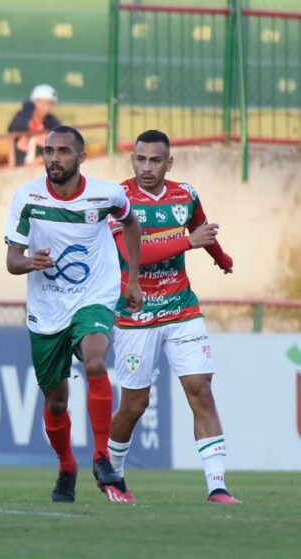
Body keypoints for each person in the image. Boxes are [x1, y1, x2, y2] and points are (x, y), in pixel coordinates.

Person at [3, 126, 144, 504]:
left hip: (94, 295)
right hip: (47, 307)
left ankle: (102, 456)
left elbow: (131, 222)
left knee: (96, 362)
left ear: (81, 158)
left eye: (63, 151)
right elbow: (11, 261)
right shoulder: (27, 197)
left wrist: (131, 279)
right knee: (56, 402)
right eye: (49, 151)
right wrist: (30, 261)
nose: (54, 158)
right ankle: (67, 465)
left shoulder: (107, 194)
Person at [107, 129, 239, 504]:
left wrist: (222, 259)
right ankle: (112, 472)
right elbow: (132, 254)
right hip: (136, 314)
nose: (146, 167)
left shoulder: (186, 194)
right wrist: (188, 242)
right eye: (139, 159)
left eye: (155, 160)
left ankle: (217, 486)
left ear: (169, 162)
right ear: (132, 159)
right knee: (134, 404)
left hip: (181, 309)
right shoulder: (119, 199)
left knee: (201, 391)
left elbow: (202, 229)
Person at [7, 84, 61, 167]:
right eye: (43, 103)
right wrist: (11, 166)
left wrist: (40, 160)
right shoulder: (21, 120)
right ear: (35, 102)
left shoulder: (52, 122)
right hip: (19, 168)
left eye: (50, 104)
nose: (46, 107)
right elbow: (11, 138)